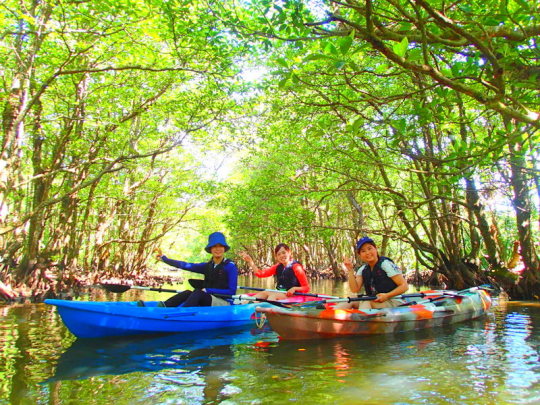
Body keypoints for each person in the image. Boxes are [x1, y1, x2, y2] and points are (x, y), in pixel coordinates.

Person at [149, 232, 238, 307]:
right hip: (208, 297)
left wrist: (208, 290)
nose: (217, 249)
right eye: (214, 246)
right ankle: (164, 306)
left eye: (220, 246)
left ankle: (182, 313)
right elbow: (185, 265)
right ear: (210, 249)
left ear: (224, 248)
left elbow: (232, 292)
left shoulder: (230, 267)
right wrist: (165, 259)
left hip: (224, 302)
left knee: (198, 293)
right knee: (187, 292)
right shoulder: (208, 266)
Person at [338, 236, 408, 309]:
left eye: (369, 248)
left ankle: (362, 318)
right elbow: (355, 289)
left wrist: (387, 295)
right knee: (350, 300)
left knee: (366, 302)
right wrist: (350, 270)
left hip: (392, 300)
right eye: (363, 251)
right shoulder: (363, 269)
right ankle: (331, 316)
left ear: (375, 249)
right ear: (360, 255)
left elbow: (404, 286)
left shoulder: (386, 264)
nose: (367, 253)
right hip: (374, 299)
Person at [239, 243, 310, 301]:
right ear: (276, 257)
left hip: (293, 296)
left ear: (289, 253)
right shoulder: (277, 267)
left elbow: (306, 288)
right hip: (280, 292)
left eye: (283, 253)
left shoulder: (296, 267)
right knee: (264, 293)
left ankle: (264, 314)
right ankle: (249, 306)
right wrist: (250, 262)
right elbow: (260, 274)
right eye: (279, 254)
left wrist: (294, 288)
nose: (282, 255)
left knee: (272, 296)